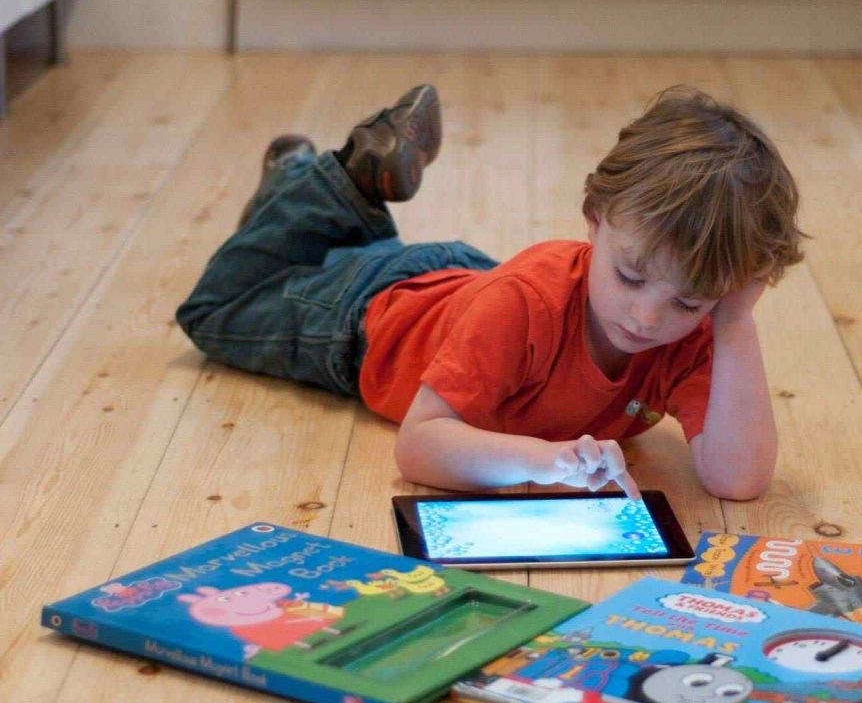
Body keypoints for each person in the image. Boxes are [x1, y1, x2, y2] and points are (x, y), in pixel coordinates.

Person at [176, 83, 804, 502]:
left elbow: (738, 479)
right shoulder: (525, 304)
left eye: (689, 302)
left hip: (463, 294)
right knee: (218, 307)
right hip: (361, 320)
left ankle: (306, 198)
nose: (647, 316)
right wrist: (543, 461)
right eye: (631, 276)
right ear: (593, 217)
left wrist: (733, 322)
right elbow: (420, 445)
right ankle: (326, 181)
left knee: (295, 257)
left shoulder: (696, 330)